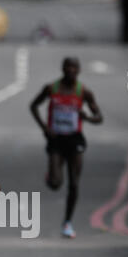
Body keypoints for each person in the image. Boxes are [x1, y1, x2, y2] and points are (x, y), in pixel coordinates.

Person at [30, 57, 103, 238]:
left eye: (74, 67)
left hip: (75, 140)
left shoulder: (83, 91)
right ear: (62, 68)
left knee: (74, 183)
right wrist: (44, 128)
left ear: (79, 70)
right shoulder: (51, 88)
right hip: (56, 140)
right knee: (55, 184)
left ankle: (67, 223)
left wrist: (86, 117)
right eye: (68, 67)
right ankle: (51, 175)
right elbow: (34, 106)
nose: (71, 70)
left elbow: (99, 117)